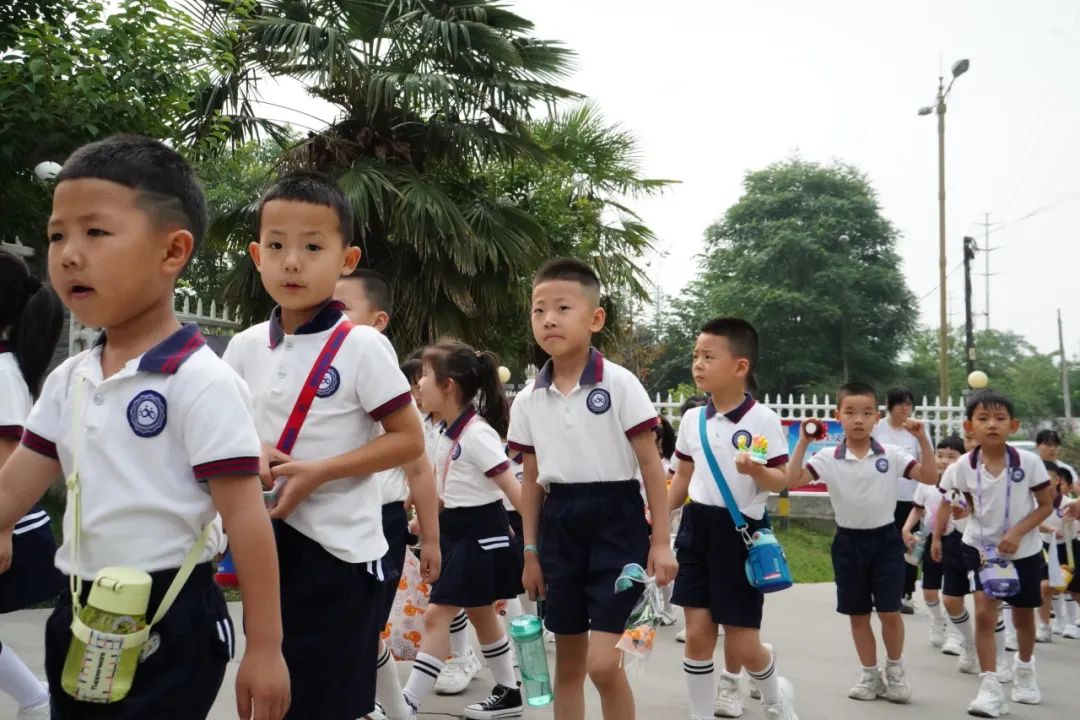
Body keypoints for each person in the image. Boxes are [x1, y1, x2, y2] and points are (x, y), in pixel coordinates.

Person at [0, 135, 290, 719]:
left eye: (96, 232)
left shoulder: (200, 381)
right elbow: (9, 492)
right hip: (79, 611)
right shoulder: (70, 380)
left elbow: (247, 522)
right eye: (58, 235)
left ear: (172, 251)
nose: (69, 254)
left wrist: (266, 648)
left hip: (172, 617)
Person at [224, 170, 424, 720]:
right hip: (264, 546)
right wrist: (254, 452)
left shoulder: (362, 346)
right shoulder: (241, 348)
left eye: (313, 247)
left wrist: (319, 471)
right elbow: (223, 438)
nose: (292, 261)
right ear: (256, 254)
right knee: (270, 694)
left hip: (339, 556)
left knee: (327, 703)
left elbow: (407, 441)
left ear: (347, 260)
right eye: (277, 246)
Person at [509, 258, 677, 720]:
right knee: (567, 667)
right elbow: (530, 482)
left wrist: (661, 542)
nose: (548, 319)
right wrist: (529, 551)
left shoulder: (620, 384)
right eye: (539, 309)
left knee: (603, 666)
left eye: (563, 307)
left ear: (595, 319)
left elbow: (649, 467)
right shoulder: (528, 399)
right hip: (559, 526)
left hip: (617, 521)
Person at [667, 317, 797, 720]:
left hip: (741, 533)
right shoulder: (692, 420)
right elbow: (682, 477)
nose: (698, 364)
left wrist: (756, 471)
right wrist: (657, 517)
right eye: (696, 356)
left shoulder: (763, 419)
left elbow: (781, 480)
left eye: (709, 356)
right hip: (696, 528)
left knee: (741, 644)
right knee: (698, 636)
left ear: (740, 366)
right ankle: (701, 714)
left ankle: (775, 696)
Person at [334, 270, 442, 720]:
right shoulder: (320, 378)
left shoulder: (386, 386)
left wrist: (432, 539)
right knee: (353, 629)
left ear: (377, 322)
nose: (329, 319)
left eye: (341, 311)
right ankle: (392, 711)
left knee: (360, 629)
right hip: (329, 521)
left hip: (379, 523)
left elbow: (418, 464)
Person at [789, 382, 936, 704]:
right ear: (837, 416)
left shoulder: (893, 454)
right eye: (851, 412)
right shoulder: (828, 457)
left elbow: (929, 477)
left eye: (867, 413)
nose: (859, 420)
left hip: (885, 541)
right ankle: (870, 674)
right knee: (858, 615)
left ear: (877, 417)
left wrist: (922, 438)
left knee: (889, 612)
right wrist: (802, 441)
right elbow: (791, 479)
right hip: (848, 543)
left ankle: (895, 671)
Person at [400, 341, 524, 720]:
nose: (418, 385)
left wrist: (537, 541)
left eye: (424, 376)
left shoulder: (476, 434)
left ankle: (406, 703)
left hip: (480, 534)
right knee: (482, 616)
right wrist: (425, 516)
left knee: (438, 616)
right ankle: (508, 693)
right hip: (458, 532)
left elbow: (512, 488)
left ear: (448, 385)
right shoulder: (444, 430)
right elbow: (444, 484)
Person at [939, 390, 1054, 717]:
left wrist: (1018, 532)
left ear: (1013, 425)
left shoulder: (1029, 463)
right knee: (985, 613)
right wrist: (964, 509)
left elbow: (1046, 505)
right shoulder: (962, 466)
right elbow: (951, 496)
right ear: (969, 426)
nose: (992, 425)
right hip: (981, 550)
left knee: (1022, 616)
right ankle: (990, 687)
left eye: (1000, 419)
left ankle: (1025, 671)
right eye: (983, 419)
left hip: (1025, 551)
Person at [0, 249, 65, 719]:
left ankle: (36, 700)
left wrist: (1, 529)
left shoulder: (2, 370)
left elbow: (8, 457)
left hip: (12, 527)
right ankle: (35, 699)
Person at [902, 435, 965, 650]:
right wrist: (906, 528)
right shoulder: (926, 484)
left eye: (951, 457)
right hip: (930, 539)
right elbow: (918, 508)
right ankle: (938, 620)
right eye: (940, 455)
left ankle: (956, 635)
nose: (944, 461)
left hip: (957, 540)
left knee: (953, 591)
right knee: (929, 590)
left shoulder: (964, 486)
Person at [872, 387, 921, 614]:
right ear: (889, 405)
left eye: (908, 404)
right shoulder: (877, 428)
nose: (905, 408)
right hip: (883, 495)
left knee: (909, 546)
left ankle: (907, 593)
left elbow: (924, 461)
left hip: (910, 497)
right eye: (900, 403)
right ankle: (879, 591)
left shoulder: (916, 431)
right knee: (883, 546)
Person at [1035, 462, 1078, 640]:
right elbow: (1034, 523)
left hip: (1070, 548)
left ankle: (1073, 622)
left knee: (1074, 591)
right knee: (1045, 586)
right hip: (1045, 549)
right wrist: (1049, 529)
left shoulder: (1070, 503)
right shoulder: (1035, 503)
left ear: (1058, 480)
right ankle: (1044, 627)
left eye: (1048, 478)